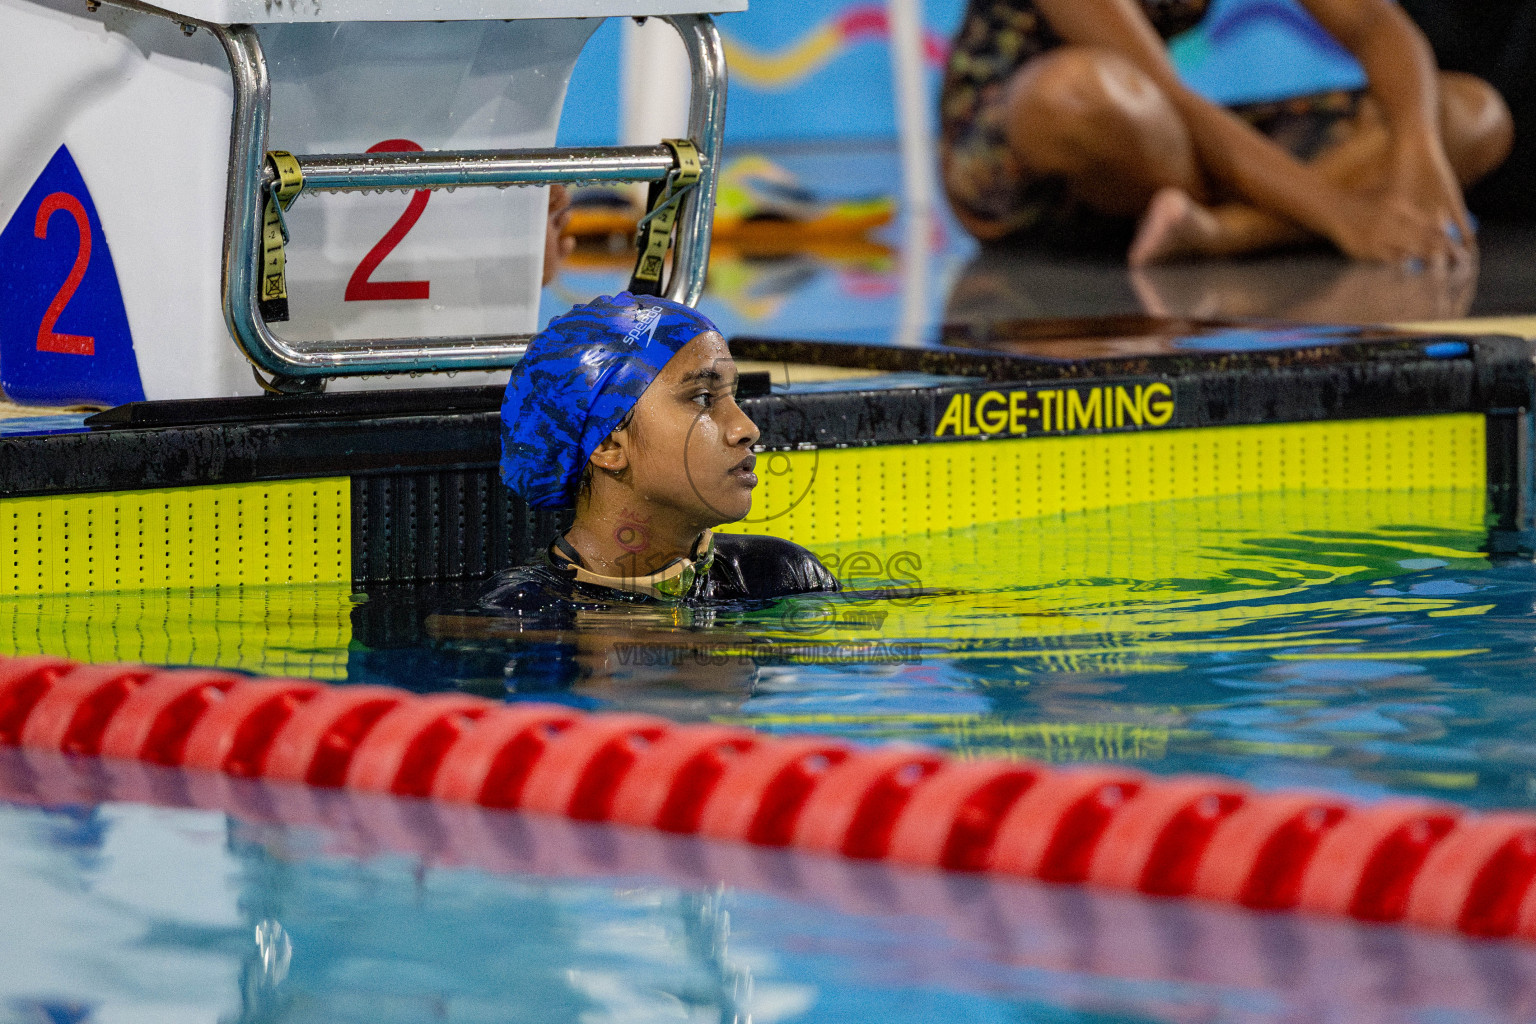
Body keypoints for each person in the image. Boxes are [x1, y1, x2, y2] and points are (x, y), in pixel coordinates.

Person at [940, 0, 1515, 267]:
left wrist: (1421, 153)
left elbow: (1377, 25)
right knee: (1080, 93)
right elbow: (1171, 97)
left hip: (1170, 137)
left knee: (1473, 112)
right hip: (1029, 152)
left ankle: (1223, 232)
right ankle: (1259, 218)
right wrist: (1345, 215)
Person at [481, 292, 839, 615]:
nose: (747, 428)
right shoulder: (525, 615)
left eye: (735, 397)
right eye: (703, 398)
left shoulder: (780, 574)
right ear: (609, 445)